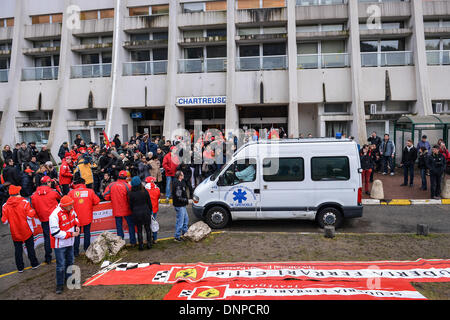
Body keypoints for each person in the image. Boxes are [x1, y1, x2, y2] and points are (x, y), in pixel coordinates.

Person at [1, 185, 40, 273]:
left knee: (18, 250)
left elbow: (4, 221)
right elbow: (30, 216)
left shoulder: (5, 206)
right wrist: (33, 211)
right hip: (26, 229)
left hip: (15, 231)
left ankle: (20, 268)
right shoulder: (25, 202)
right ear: (18, 193)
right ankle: (34, 264)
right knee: (30, 248)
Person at [49, 195, 80, 294]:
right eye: (70, 206)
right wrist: (71, 234)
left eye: (72, 205)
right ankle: (59, 285)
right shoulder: (54, 215)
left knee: (70, 261)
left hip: (70, 242)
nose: (72, 207)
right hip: (60, 245)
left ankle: (69, 278)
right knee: (61, 265)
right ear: (64, 206)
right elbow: (55, 232)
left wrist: (76, 225)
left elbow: (75, 217)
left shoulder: (70, 209)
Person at [31, 176, 61, 264]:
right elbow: (61, 197)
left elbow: (34, 208)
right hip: (54, 218)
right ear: (48, 182)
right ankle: (59, 256)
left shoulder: (34, 195)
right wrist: (57, 186)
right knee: (57, 236)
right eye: (50, 182)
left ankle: (48, 258)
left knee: (47, 238)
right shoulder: (53, 192)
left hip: (43, 219)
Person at [102, 170, 136, 246]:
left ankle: (121, 244)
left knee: (119, 227)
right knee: (131, 226)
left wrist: (113, 198)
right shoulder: (128, 186)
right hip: (127, 210)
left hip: (117, 209)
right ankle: (133, 242)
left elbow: (105, 196)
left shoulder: (111, 185)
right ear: (125, 177)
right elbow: (131, 198)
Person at [69, 177, 100, 257]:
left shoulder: (72, 192)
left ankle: (76, 252)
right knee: (87, 233)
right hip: (87, 217)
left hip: (75, 219)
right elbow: (97, 201)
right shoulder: (90, 191)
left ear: (76, 184)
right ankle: (87, 250)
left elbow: (67, 204)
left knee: (76, 235)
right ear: (84, 183)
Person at [128, 176, 153, 251]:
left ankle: (141, 245)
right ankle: (149, 243)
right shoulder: (144, 191)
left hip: (136, 213)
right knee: (147, 228)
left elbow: (131, 205)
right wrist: (150, 210)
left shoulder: (131, 193)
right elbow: (149, 203)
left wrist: (133, 211)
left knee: (139, 230)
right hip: (146, 212)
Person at [172, 170, 189, 242]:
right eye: (182, 174)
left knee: (186, 219)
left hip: (182, 205)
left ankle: (185, 233)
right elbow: (179, 196)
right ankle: (177, 236)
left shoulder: (180, 182)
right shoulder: (177, 184)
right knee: (180, 221)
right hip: (180, 205)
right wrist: (185, 200)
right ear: (179, 176)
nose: (183, 175)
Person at [145, 176, 160, 244]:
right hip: (155, 209)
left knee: (148, 224)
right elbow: (158, 197)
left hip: (147, 209)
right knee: (154, 223)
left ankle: (149, 238)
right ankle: (155, 238)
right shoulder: (157, 189)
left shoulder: (145, 190)